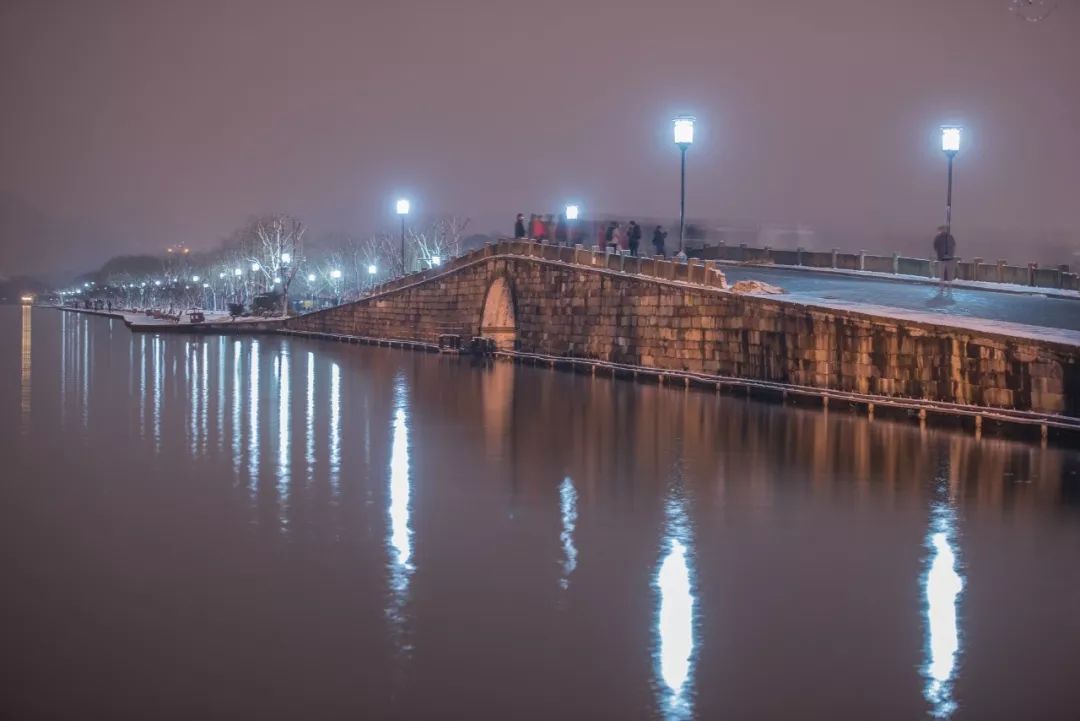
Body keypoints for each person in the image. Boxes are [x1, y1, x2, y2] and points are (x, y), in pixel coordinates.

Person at [933, 225, 957, 290]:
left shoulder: (938, 237)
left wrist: (939, 253)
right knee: (949, 273)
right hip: (949, 257)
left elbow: (935, 246)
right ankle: (949, 287)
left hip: (941, 257)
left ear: (940, 230)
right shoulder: (950, 236)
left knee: (941, 273)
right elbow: (953, 245)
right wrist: (951, 254)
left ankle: (942, 287)